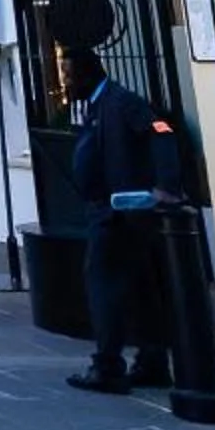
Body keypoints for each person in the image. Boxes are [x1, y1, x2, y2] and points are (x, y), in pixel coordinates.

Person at [64, 44, 179, 394]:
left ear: (85, 74)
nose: (65, 82)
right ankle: (152, 358)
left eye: (68, 75)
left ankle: (108, 365)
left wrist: (165, 186)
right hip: (113, 209)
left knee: (104, 287)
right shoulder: (100, 104)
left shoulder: (121, 101)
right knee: (140, 287)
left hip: (121, 211)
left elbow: (161, 131)